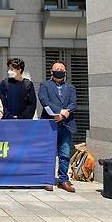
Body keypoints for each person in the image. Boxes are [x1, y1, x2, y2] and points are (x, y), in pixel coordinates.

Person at [39, 61, 78, 193]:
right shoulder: (45, 85)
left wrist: (64, 115)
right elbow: (44, 100)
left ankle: (63, 180)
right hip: (50, 123)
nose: (59, 71)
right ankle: (48, 179)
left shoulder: (70, 87)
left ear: (65, 72)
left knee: (65, 153)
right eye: (57, 69)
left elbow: (73, 103)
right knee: (48, 153)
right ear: (51, 71)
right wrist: (60, 111)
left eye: (62, 69)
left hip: (66, 124)